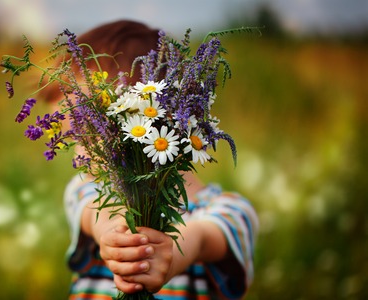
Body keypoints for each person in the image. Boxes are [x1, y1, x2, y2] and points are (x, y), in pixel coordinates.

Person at [45, 20, 259, 299]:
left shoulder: (229, 210)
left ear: (144, 116)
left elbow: (209, 235)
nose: (80, 152)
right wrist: (116, 232)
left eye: (89, 131)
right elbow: (96, 211)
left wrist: (175, 250)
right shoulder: (86, 191)